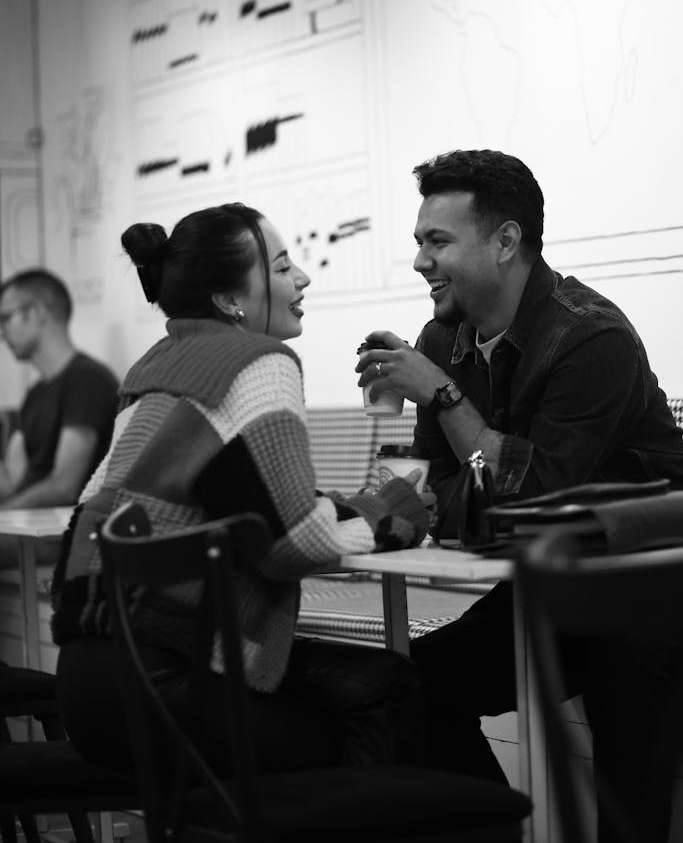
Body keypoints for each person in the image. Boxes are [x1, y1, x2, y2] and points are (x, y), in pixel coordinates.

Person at [355, 149, 683, 843]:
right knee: (409, 686)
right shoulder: (440, 340)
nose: (419, 260)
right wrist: (384, 504)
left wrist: (444, 403)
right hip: (560, 569)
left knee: (626, 786)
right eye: (419, 240)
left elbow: (528, 493)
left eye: (437, 240)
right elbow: (433, 486)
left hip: (671, 573)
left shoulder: (590, 335)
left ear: (506, 242)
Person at [52, 202, 428, 778]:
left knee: (379, 683)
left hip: (89, 690)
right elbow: (293, 543)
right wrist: (391, 513)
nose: (301, 278)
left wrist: (348, 507)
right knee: (388, 694)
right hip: (171, 687)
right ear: (231, 301)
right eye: (280, 268)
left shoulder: (153, 366)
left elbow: (238, 499)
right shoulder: (259, 362)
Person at [0, 269, 119, 518]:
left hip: (61, 529)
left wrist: (5, 513)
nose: (2, 332)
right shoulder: (34, 394)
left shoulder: (88, 379)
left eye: (6, 318)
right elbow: (12, 483)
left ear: (37, 313)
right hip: (26, 524)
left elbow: (64, 487)